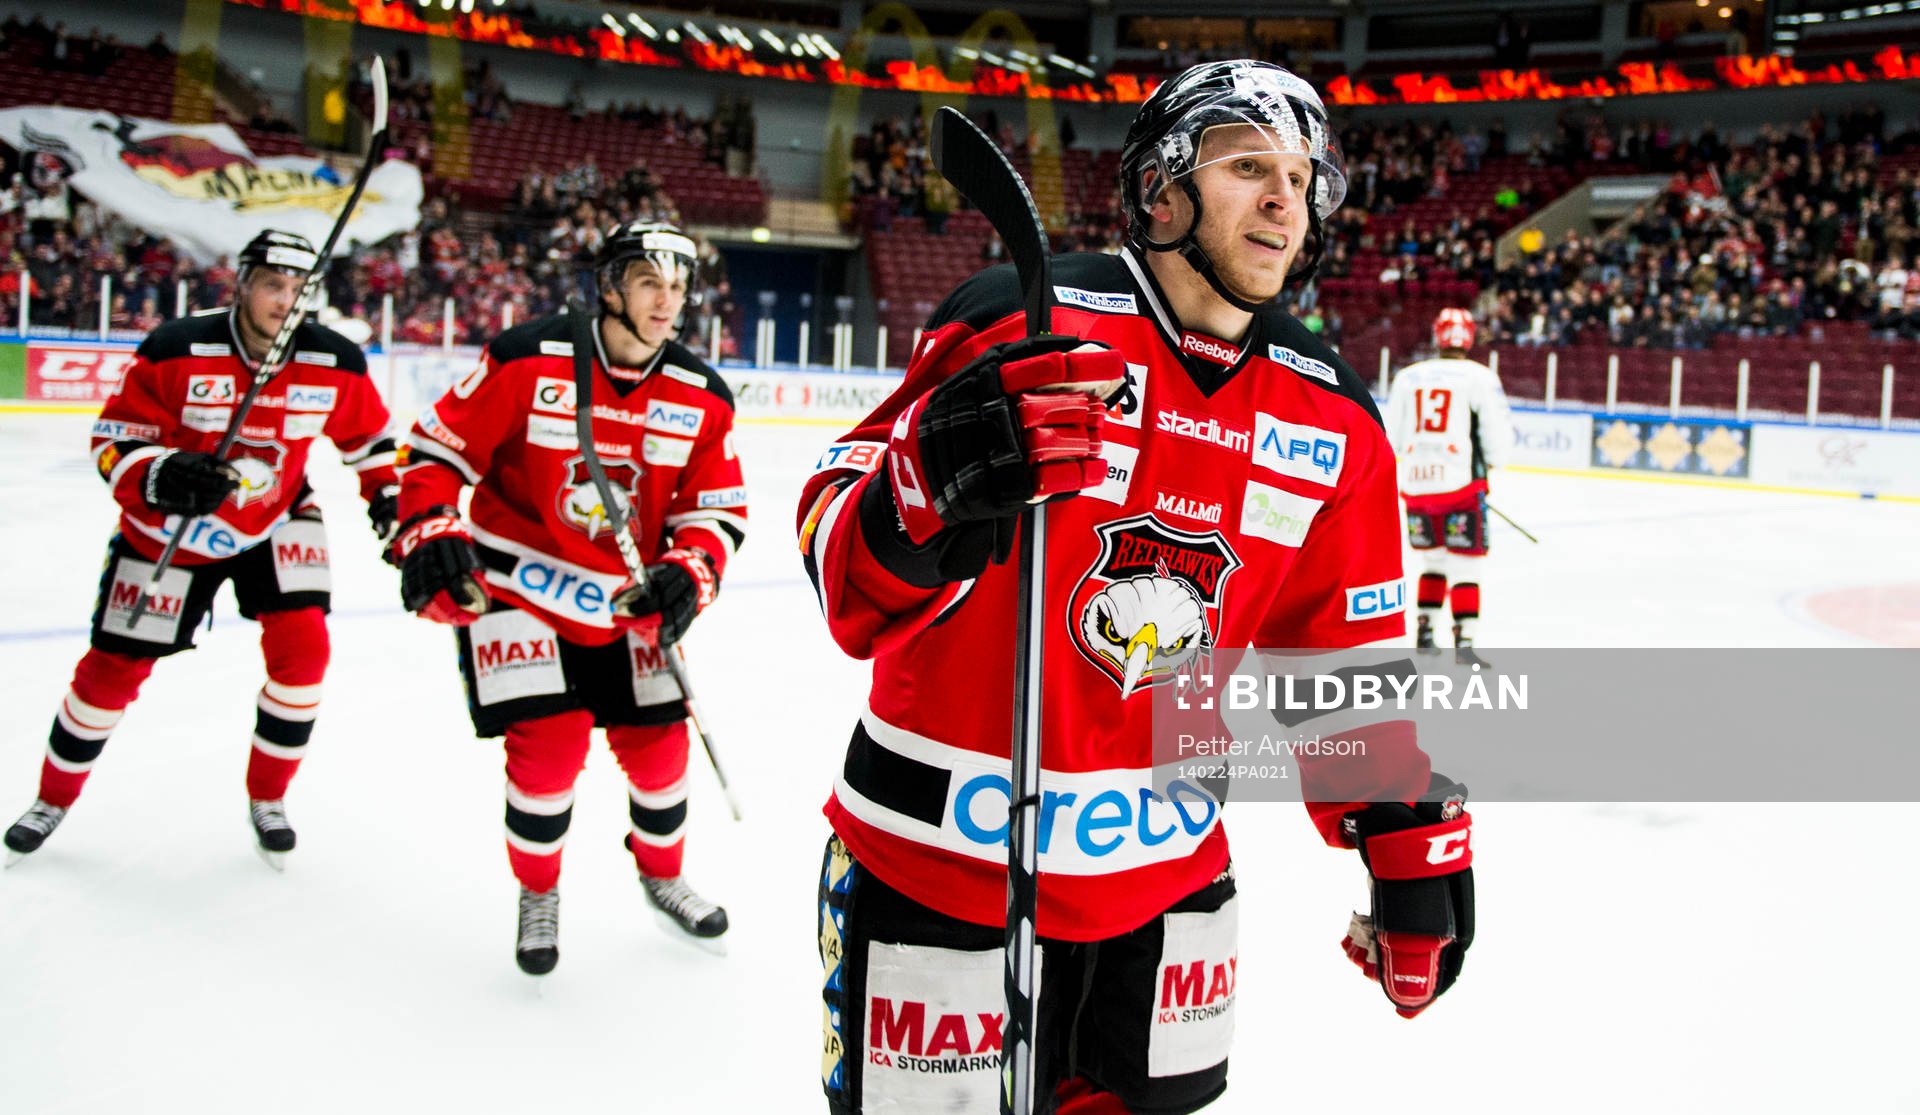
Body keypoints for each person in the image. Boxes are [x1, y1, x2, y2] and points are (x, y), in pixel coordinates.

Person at [799, 62, 1475, 1114]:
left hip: (1169, 882)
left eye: (1300, 175)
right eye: (1249, 165)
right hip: (937, 866)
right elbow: (838, 559)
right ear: (1162, 190)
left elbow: (1343, 663)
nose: (1283, 199)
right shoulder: (1020, 318)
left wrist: (1405, 833)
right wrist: (926, 481)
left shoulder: (1337, 417)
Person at [389, 220, 745, 976]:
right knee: (546, 759)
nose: (667, 301)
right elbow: (431, 454)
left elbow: (715, 512)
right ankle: (538, 891)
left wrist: (691, 567)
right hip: (520, 583)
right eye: (650, 281)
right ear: (609, 287)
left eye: (677, 286)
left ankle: (661, 872)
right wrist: (429, 526)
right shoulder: (527, 358)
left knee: (661, 758)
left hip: (625, 601)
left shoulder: (702, 396)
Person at [3, 230, 399, 869]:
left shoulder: (335, 359)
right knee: (111, 671)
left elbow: (374, 445)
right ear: (241, 284)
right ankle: (52, 799)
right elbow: (113, 441)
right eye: (273, 284)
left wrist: (395, 506)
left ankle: (268, 797)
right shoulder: (176, 348)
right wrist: (159, 474)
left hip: (277, 518)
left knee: (303, 657)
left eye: (301, 289)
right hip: (171, 529)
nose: (286, 300)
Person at [1383, 308, 1515, 666]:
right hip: (1461, 488)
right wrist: (1493, 463)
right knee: (1466, 566)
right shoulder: (1479, 377)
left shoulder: (1409, 377)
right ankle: (1465, 641)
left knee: (1433, 559)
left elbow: (1388, 434)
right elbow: (1497, 436)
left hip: (1416, 488)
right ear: (1469, 337)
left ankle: (1425, 633)